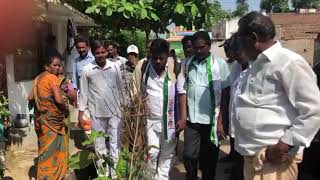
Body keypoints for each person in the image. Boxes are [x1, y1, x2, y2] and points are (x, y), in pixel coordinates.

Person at [235, 11, 320, 180]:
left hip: (274, 162)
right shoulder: (255, 64)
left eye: (239, 38)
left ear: (253, 38)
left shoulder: (289, 62)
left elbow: (313, 110)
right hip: (251, 159)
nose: (239, 44)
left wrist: (284, 144)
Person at [176, 31, 230, 180]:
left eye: (201, 47)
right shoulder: (186, 64)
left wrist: (220, 122)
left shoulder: (220, 65)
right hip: (192, 121)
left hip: (211, 122)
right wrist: (183, 117)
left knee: (209, 160)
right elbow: (183, 91)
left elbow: (225, 95)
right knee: (188, 155)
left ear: (209, 46)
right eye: (195, 48)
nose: (198, 51)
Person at [78, 40, 124, 178]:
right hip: (96, 114)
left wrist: (125, 108)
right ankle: (103, 175)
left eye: (103, 52)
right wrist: (81, 114)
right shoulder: (87, 69)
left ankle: (115, 175)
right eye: (97, 53)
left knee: (116, 144)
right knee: (99, 146)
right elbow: (84, 93)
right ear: (93, 52)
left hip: (115, 112)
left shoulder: (114, 67)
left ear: (107, 52)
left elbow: (121, 88)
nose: (100, 55)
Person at [141, 39, 176, 180]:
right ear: (150, 55)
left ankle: (162, 177)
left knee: (167, 153)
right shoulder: (144, 67)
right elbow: (140, 91)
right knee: (152, 152)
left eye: (161, 58)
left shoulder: (175, 68)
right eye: (155, 58)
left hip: (170, 120)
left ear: (167, 56)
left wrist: (181, 118)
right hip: (150, 120)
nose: (158, 61)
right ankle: (150, 177)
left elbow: (181, 93)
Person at [28, 56, 68, 180]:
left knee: (44, 148)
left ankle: (42, 175)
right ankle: (51, 177)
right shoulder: (52, 78)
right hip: (52, 122)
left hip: (40, 120)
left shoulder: (37, 78)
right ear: (46, 66)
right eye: (54, 65)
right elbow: (58, 100)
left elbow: (30, 97)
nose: (57, 68)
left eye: (59, 65)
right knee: (53, 151)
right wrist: (65, 108)